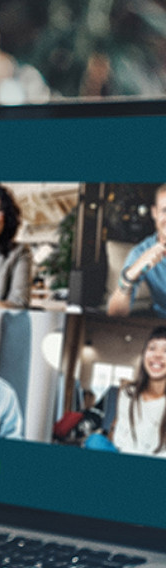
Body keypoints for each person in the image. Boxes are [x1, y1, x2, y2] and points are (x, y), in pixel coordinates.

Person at [108, 184, 166, 318]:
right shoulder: (141, 252)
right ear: (154, 213)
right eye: (165, 210)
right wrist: (130, 275)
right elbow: (115, 314)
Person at [111, 326, 166, 458]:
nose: (157, 355)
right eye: (152, 348)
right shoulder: (128, 393)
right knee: (94, 441)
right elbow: (120, 438)